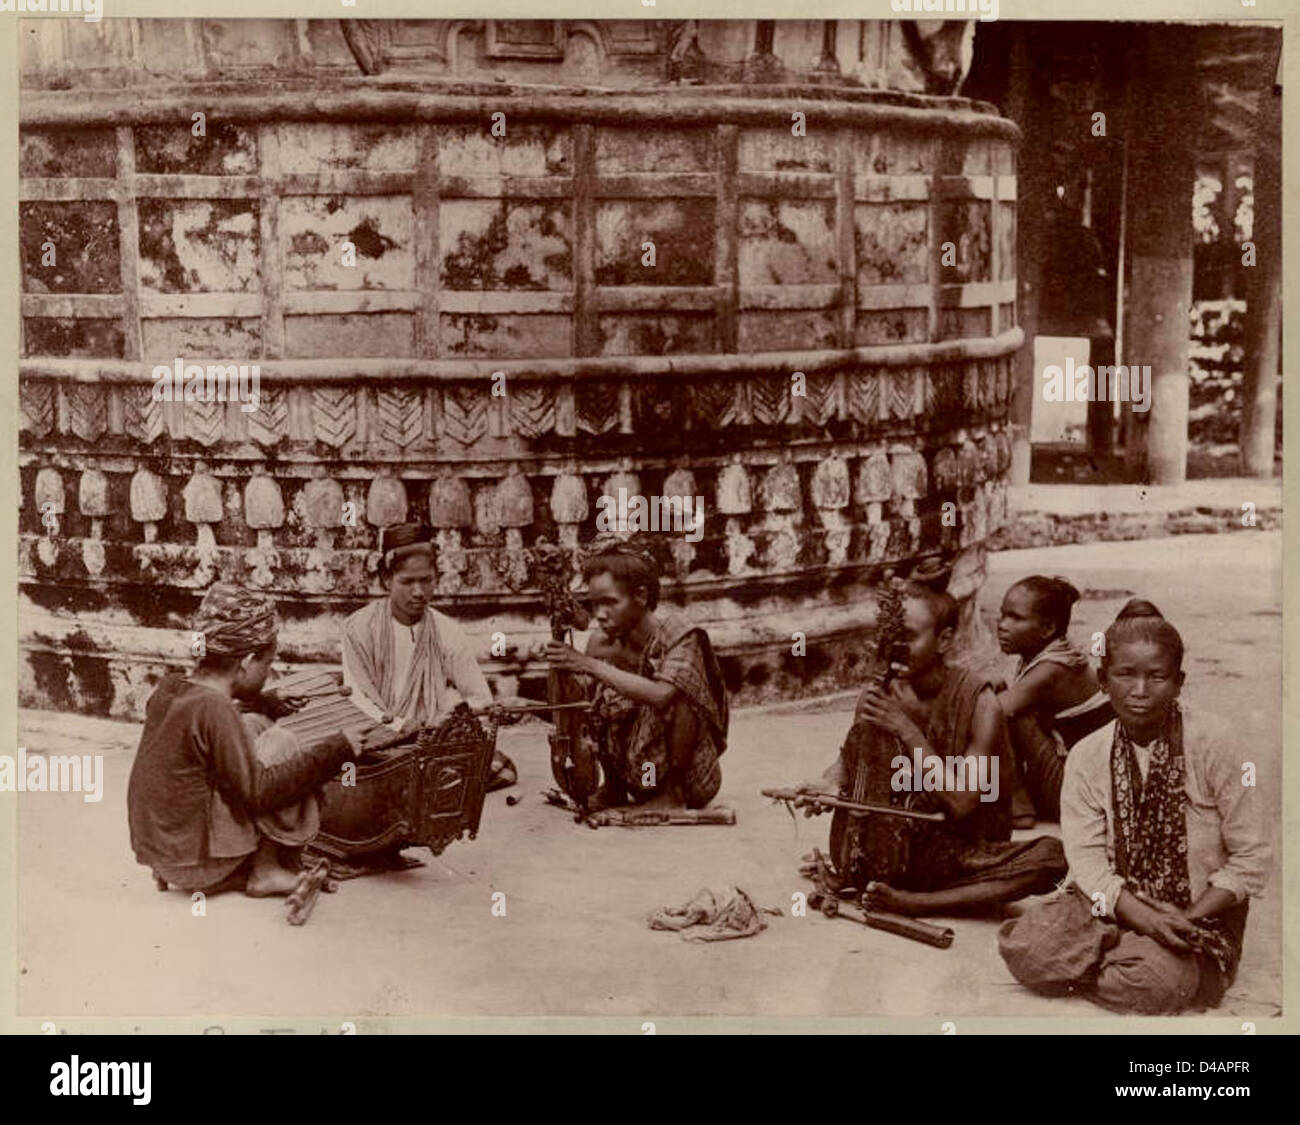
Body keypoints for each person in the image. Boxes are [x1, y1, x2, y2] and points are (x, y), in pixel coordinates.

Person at [998, 600, 1270, 1014]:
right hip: (1113, 903)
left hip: (1198, 916)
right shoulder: (1088, 756)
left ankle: (1125, 962)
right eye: (1125, 674)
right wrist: (1143, 919)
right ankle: (1123, 950)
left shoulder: (1216, 742)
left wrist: (1182, 920)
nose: (1139, 691)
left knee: (1152, 986)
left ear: (1179, 682)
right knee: (1024, 947)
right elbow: (1087, 863)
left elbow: (1251, 856)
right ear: (1103, 680)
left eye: (1156, 676)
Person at [798, 582, 1067, 917]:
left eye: (908, 637)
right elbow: (849, 761)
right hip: (879, 852)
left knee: (1051, 857)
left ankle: (918, 903)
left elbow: (964, 801)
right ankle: (894, 885)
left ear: (944, 640)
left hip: (957, 854)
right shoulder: (879, 691)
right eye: (889, 639)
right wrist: (825, 786)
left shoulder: (980, 702)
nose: (895, 649)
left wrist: (907, 729)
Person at [127, 585, 361, 897]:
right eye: (267, 664)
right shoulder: (216, 708)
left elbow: (210, 727)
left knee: (254, 723)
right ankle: (265, 870)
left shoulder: (172, 688)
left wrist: (268, 702)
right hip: (196, 865)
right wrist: (338, 749)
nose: (270, 672)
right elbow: (260, 791)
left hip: (163, 854)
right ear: (248, 661)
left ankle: (238, 865)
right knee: (281, 742)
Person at [544, 536, 727, 810]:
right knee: (598, 698)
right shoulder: (601, 644)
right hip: (637, 776)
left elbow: (662, 696)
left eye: (609, 602)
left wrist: (589, 665)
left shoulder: (680, 634)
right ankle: (614, 788)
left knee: (681, 697)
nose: (600, 614)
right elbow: (580, 709)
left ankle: (671, 795)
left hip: (693, 781)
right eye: (594, 605)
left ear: (641, 596)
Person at [342, 523, 515, 790]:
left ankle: (423, 781)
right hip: (375, 741)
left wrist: (450, 719)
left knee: (499, 767)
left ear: (437, 577)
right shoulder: (358, 628)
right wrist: (404, 726)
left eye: (426, 580)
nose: (419, 592)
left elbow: (480, 699)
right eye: (407, 582)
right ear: (387, 580)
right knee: (343, 768)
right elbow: (357, 699)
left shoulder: (447, 631)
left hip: (430, 743)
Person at [996, 575, 1113, 826]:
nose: (1002, 625)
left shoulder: (1050, 670)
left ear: (1047, 628)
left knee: (1004, 714)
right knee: (995, 690)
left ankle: (1019, 805)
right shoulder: (1051, 652)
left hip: (1077, 795)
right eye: (1002, 615)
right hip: (1080, 781)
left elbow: (995, 711)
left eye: (1015, 618)